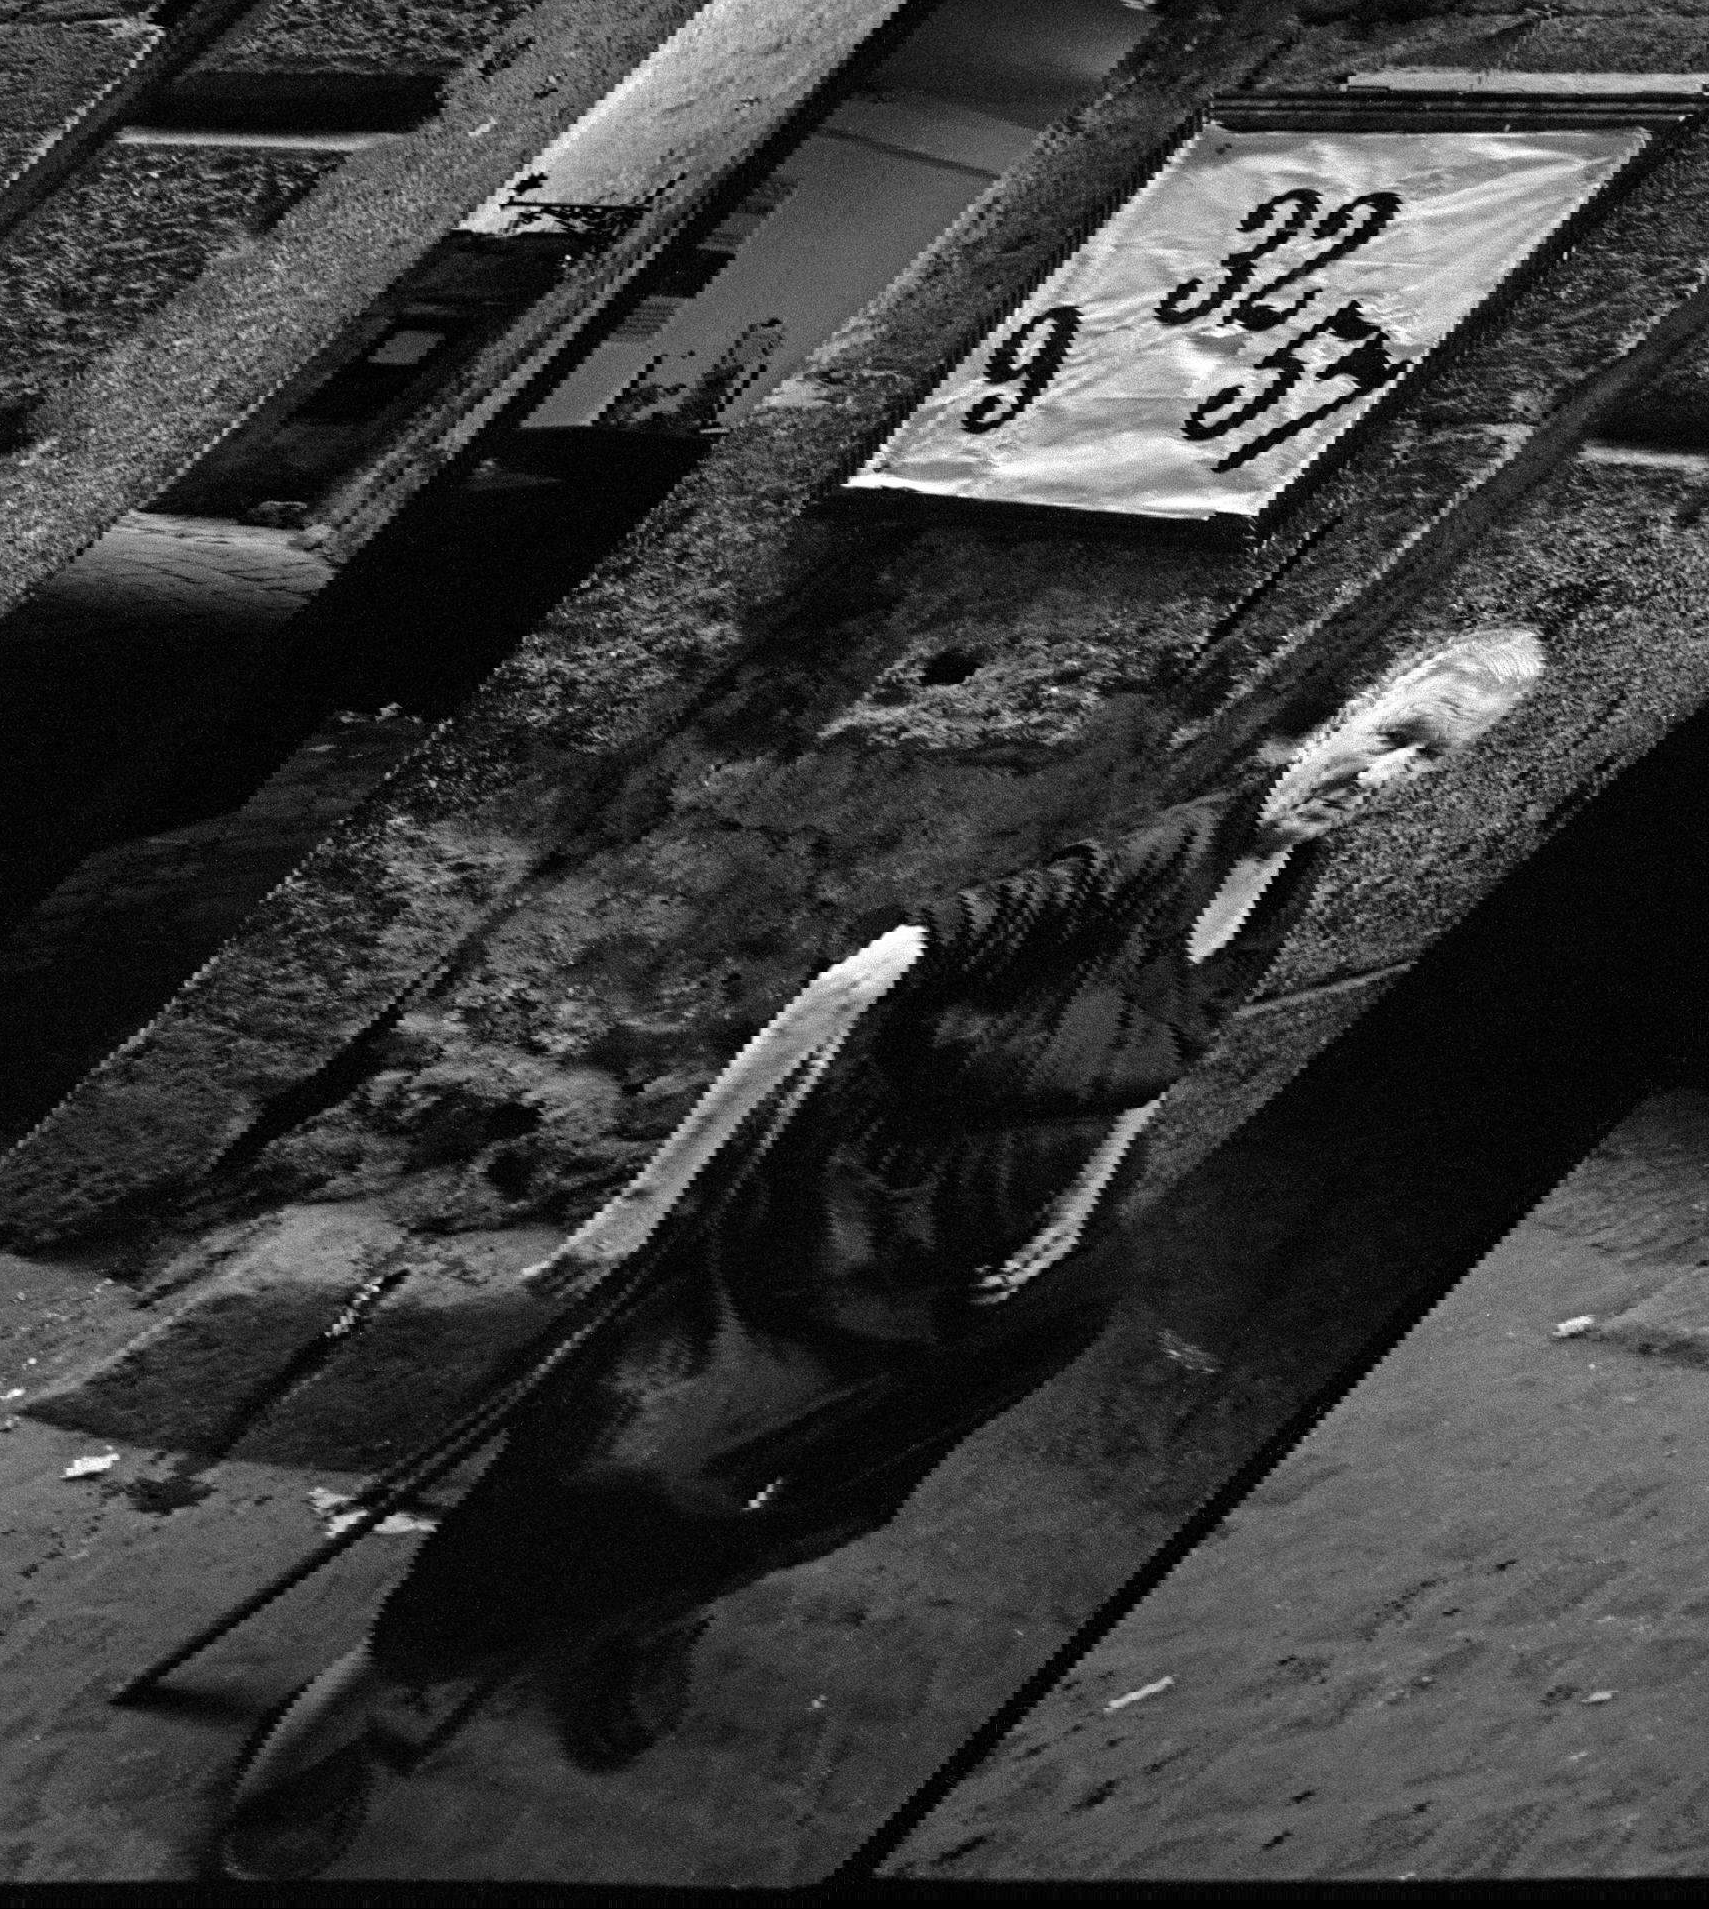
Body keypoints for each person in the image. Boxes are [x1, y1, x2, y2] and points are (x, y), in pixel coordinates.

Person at [220, 624, 1544, 1877]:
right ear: (1339, 716)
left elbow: (1155, 1077)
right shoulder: (1152, 865)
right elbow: (855, 985)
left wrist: (1071, 1225)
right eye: (1390, 734)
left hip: (990, 1252)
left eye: (1431, 762)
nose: (1384, 774)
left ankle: (656, 1606)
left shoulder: (1285, 883)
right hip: (832, 1225)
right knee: (628, 1460)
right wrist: (646, 1203)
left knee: (847, 1463)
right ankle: (380, 1681)